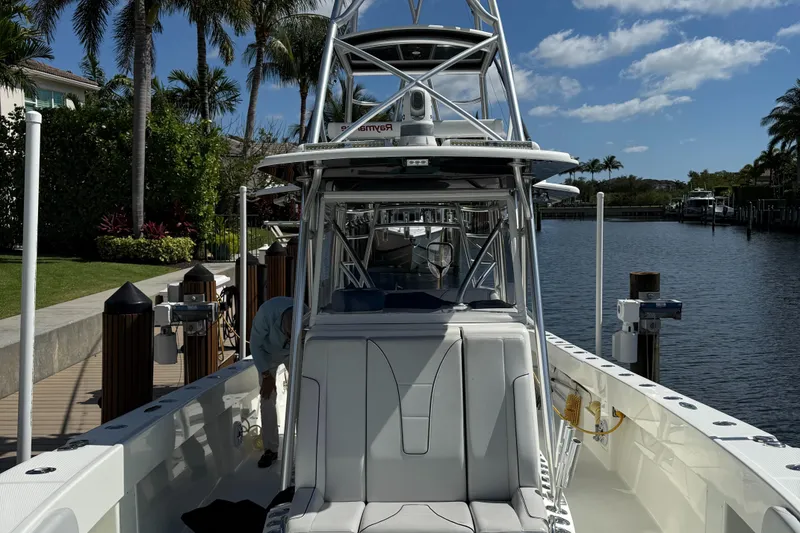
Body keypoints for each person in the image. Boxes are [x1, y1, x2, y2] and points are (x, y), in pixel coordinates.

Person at [249, 296, 308, 468]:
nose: (288, 339)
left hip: (293, 353)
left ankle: (304, 447)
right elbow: (255, 345)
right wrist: (267, 376)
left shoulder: (305, 314)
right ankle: (271, 449)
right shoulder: (266, 314)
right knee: (267, 398)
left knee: (300, 395)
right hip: (267, 354)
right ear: (283, 327)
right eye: (288, 336)